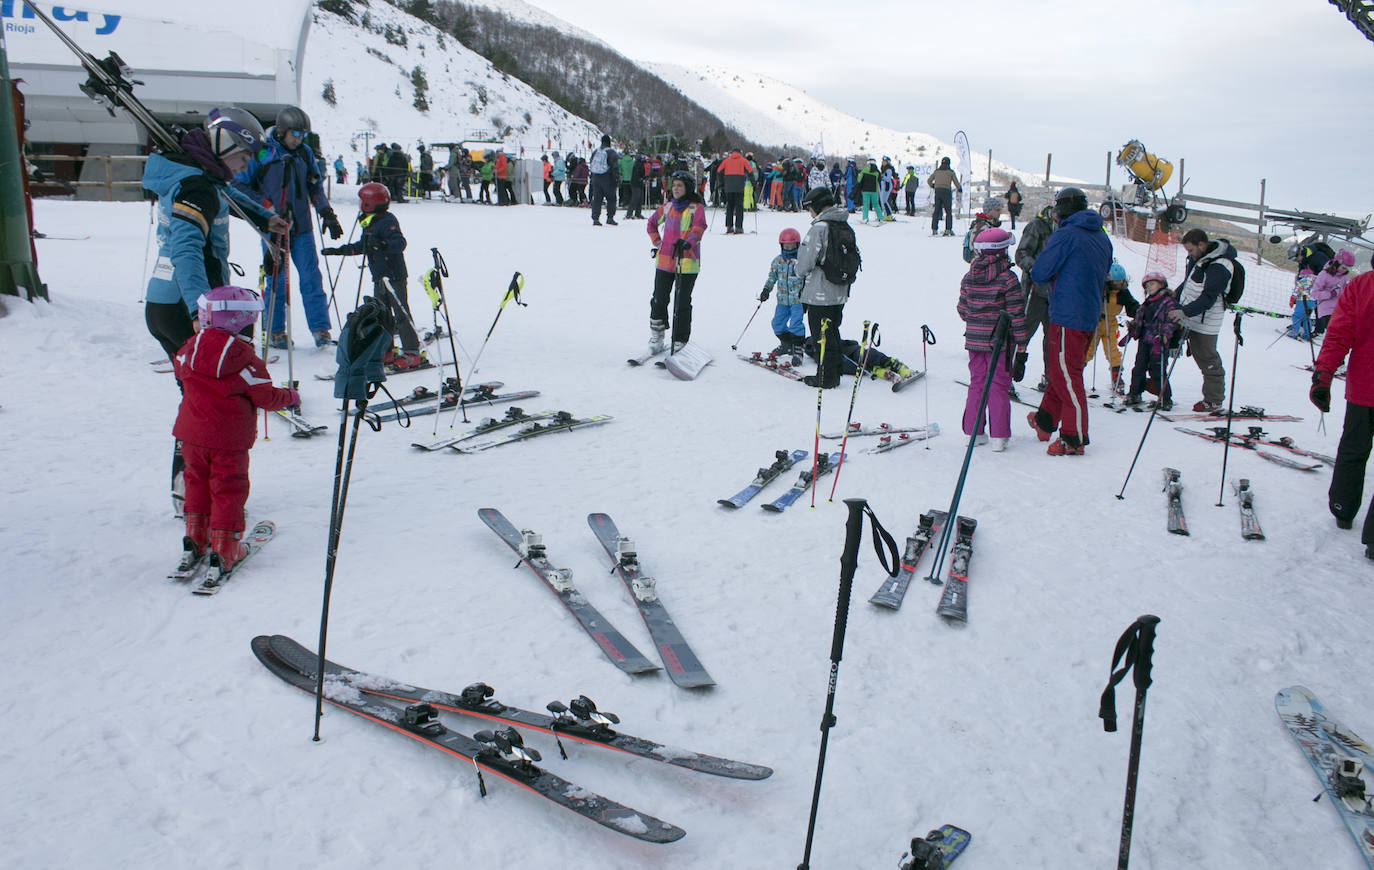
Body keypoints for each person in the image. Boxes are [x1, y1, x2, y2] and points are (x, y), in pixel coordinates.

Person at [172, 285, 298, 575]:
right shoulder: (247, 364)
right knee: (228, 488)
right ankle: (226, 550)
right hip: (228, 442)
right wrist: (290, 396)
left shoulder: (188, 351)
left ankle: (195, 540)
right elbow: (266, 398)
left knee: (196, 482)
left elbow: (180, 369)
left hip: (191, 437)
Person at [235, 105, 343, 349]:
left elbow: (314, 185)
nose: (299, 138)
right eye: (295, 133)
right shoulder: (263, 152)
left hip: (302, 226)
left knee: (311, 278)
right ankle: (275, 331)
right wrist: (264, 205)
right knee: (277, 281)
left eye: (302, 134)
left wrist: (326, 212)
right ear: (282, 131)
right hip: (274, 227)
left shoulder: (304, 153)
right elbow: (239, 185)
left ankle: (321, 329)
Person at [1026, 186, 1113, 455]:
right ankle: (1045, 420)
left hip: (1067, 314)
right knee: (1061, 370)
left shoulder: (1066, 235)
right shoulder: (1101, 235)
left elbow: (1040, 272)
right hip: (1087, 314)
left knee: (1067, 375)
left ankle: (1073, 438)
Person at [321, 182, 425, 370]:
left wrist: (382, 246)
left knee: (400, 313)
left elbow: (399, 243)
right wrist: (339, 251)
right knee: (382, 315)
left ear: (370, 203)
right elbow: (363, 246)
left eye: (362, 201)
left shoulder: (387, 221)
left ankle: (412, 352)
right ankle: (386, 350)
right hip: (379, 276)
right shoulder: (369, 222)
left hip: (393, 276)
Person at [1310, 255, 1374, 557]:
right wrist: (1322, 377)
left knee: (1353, 450)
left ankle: (1343, 508)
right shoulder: (1361, 286)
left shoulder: (1361, 286)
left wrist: (1323, 376)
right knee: (1352, 450)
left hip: (1363, 390)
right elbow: (1339, 333)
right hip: (1364, 387)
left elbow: (1337, 334)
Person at [957, 227, 1028, 452]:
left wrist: (977, 319)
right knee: (998, 385)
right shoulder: (1008, 278)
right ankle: (999, 436)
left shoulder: (969, 276)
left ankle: (973, 432)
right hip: (1000, 344)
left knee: (978, 383)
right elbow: (1016, 314)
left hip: (975, 341)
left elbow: (962, 309)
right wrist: (1022, 345)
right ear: (1002, 250)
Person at [1167, 229, 1235, 412]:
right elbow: (1190, 281)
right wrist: (1175, 295)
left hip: (1206, 320)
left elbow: (1208, 298)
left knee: (1207, 357)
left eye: (1190, 250)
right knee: (1192, 352)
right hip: (1190, 315)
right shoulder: (1201, 259)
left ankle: (1214, 399)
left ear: (1201, 245)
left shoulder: (1220, 265)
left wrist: (1184, 311)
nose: (1189, 254)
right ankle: (1160, 388)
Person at [795, 186, 854, 388]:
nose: (809, 213)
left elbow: (804, 264)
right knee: (832, 331)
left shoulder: (819, 228)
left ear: (817, 206)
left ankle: (825, 377)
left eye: (810, 208)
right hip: (840, 291)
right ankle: (834, 370)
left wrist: (798, 272)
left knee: (821, 335)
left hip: (819, 293)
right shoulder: (843, 225)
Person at [645, 171, 707, 353]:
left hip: (687, 262)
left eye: (680, 185)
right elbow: (651, 224)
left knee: (681, 302)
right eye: (674, 185)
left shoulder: (696, 208)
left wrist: (688, 241)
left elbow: (699, 227)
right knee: (659, 299)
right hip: (665, 261)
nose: (676, 189)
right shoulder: (667, 207)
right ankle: (657, 336)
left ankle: (680, 340)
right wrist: (658, 242)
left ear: (687, 187)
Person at [1122, 271, 1180, 409]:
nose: (1149, 288)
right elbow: (1140, 319)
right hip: (1145, 340)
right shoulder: (1147, 303)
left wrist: (1165, 335)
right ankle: (1135, 393)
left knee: (1157, 370)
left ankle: (1165, 398)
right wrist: (1133, 326)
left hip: (1158, 342)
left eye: (1152, 284)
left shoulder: (1168, 302)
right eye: (1147, 286)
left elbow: (1172, 321)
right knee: (1138, 368)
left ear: (1161, 284)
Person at [1014, 204, 1057, 390]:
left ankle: (1051, 377)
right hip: (1035, 290)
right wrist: (1035, 268)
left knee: (1053, 339)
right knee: (1023, 333)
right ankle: (1008, 374)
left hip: (1055, 293)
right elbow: (1021, 253)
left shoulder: (1066, 228)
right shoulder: (1037, 226)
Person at [1086, 262, 1139, 393]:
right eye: (1116, 282)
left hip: (1111, 324)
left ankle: (1117, 377)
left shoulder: (1123, 293)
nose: (1119, 285)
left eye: (1121, 282)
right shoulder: (1101, 290)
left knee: (1112, 352)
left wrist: (1139, 313)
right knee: (1088, 350)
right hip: (1096, 323)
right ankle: (1076, 372)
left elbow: (1132, 306)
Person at [759, 228, 807, 358]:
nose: (789, 248)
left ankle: (797, 347)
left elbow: (808, 279)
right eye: (786, 245)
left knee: (795, 324)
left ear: (797, 245)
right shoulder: (778, 261)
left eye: (791, 245)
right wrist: (766, 290)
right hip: (782, 300)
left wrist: (807, 297)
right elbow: (772, 277)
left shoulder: (802, 262)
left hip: (798, 300)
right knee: (777, 323)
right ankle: (786, 344)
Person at [1311, 249, 1356, 335]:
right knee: (1335, 333)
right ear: (1336, 263)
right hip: (1327, 309)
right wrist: (1330, 294)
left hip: (1341, 309)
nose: (1345, 270)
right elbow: (1314, 293)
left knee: (1345, 334)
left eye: (1347, 268)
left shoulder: (1345, 277)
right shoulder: (1324, 275)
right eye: (1343, 267)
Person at [587, 134, 619, 225]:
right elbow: (615, 167)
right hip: (608, 178)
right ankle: (610, 217)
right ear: (609, 142)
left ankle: (595, 218)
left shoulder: (596, 151)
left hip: (596, 178)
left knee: (597, 199)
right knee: (611, 198)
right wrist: (616, 178)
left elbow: (591, 163)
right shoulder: (612, 152)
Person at [717, 149, 750, 234]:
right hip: (739, 187)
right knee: (739, 207)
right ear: (740, 153)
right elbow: (750, 171)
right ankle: (739, 227)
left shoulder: (726, 161)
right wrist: (753, 183)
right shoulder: (744, 160)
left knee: (729, 206)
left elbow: (719, 171)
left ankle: (729, 227)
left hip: (728, 186)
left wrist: (721, 182)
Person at [927, 156, 961, 236]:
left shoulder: (936, 171)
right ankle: (948, 229)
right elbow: (956, 182)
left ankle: (934, 229)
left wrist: (933, 185)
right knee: (948, 211)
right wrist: (959, 188)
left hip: (938, 192)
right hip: (946, 192)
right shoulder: (950, 172)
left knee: (937, 211)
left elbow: (929, 180)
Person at [963, 196, 1004, 263]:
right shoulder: (981, 227)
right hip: (984, 268)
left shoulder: (989, 226)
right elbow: (979, 252)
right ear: (989, 211)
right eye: (997, 210)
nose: (1000, 212)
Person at [856, 159, 882, 223]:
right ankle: (880, 217)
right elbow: (880, 180)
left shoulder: (864, 170)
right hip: (874, 191)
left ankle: (865, 218)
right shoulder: (877, 171)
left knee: (866, 205)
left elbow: (859, 180)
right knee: (876, 204)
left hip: (865, 190)